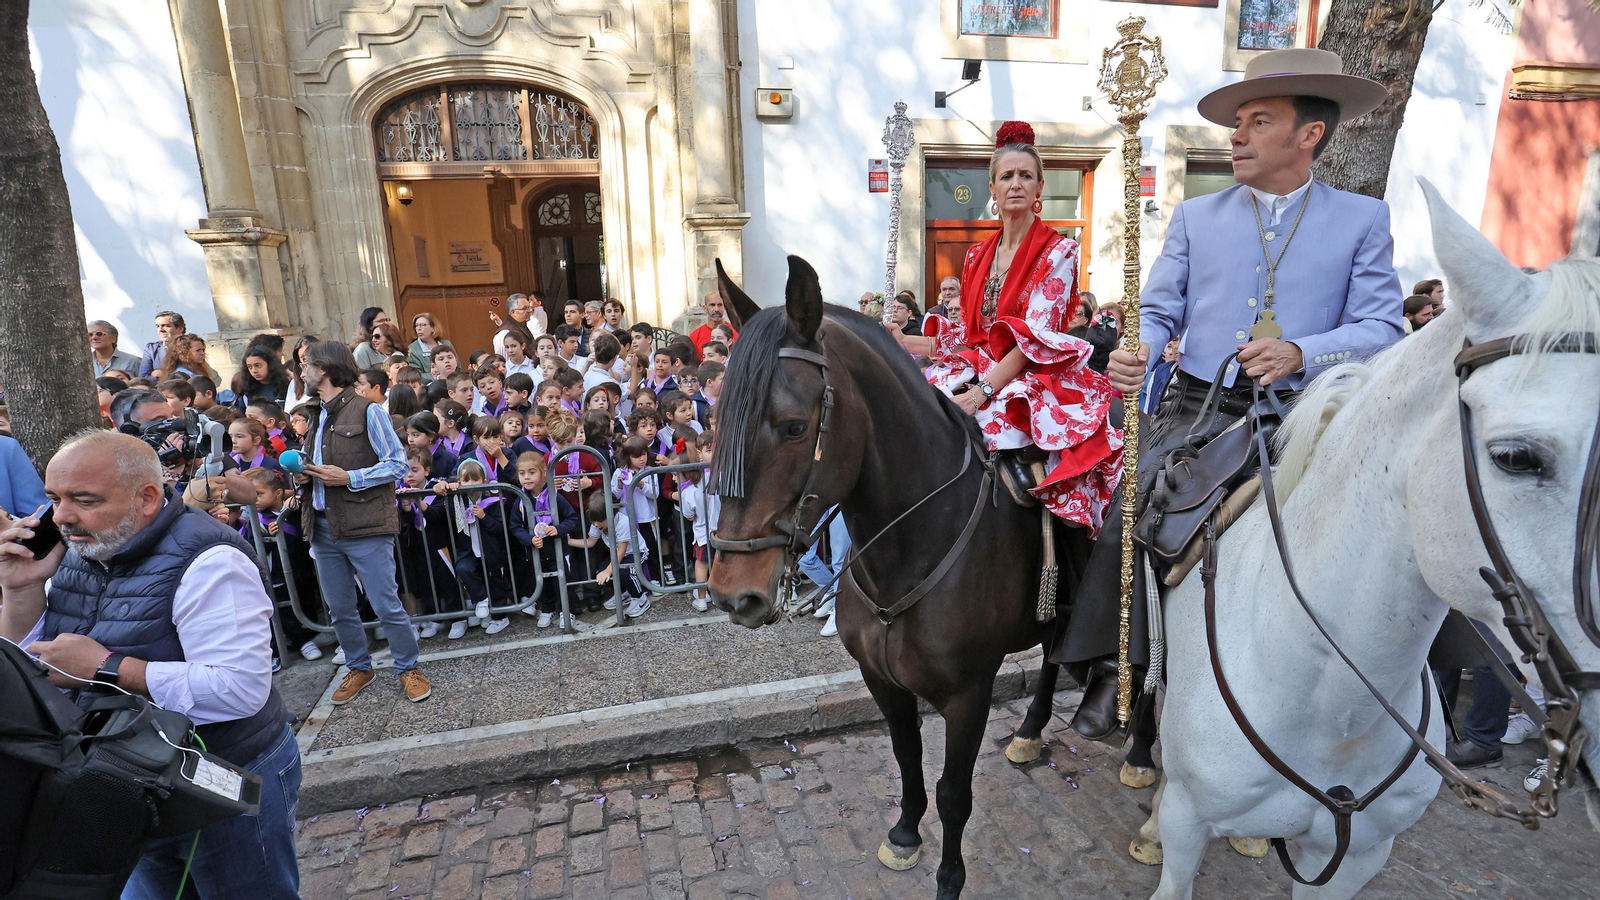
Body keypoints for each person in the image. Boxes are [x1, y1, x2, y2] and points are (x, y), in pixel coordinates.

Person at [1055, 49, 1405, 739]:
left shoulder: (1363, 219)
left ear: (1309, 135)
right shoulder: (1196, 217)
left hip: (1309, 414)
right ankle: (1115, 668)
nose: (1237, 136)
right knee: (1131, 502)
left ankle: (1395, 689)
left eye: (1258, 121)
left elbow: (1382, 326)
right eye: (1238, 122)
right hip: (1200, 412)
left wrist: (1305, 351)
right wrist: (1139, 349)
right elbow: (1156, 313)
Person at [0, 430, 301, 897]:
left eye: (83, 499)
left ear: (146, 498)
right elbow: (26, 664)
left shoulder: (210, 560)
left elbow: (239, 688)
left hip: (220, 774)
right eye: (53, 498)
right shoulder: (79, 548)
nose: (61, 517)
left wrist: (105, 666)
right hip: (123, 777)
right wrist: (20, 590)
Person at [889, 119, 1123, 533]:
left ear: (1039, 188)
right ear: (992, 190)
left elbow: (1035, 341)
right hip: (978, 366)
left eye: (1025, 176)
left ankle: (1055, 564)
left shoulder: (1061, 250)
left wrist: (980, 393)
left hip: (1030, 375)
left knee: (1033, 458)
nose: (1016, 183)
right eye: (1007, 176)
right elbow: (965, 335)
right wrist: (904, 341)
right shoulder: (977, 255)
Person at [295, 340, 432, 704]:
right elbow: (322, 466)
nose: (302, 372)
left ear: (323, 370)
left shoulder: (369, 411)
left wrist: (350, 478)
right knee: (339, 606)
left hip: (365, 524)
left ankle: (408, 667)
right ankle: (359, 666)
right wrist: (305, 476)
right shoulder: (313, 413)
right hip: (323, 525)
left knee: (386, 602)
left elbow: (397, 464)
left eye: (306, 365)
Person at [230, 345, 291, 411]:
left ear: (270, 364)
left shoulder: (286, 386)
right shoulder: (247, 390)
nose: (254, 371)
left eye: (258, 366)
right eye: (250, 367)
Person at [491, 293, 547, 360]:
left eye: (529, 308)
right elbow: (504, 363)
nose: (529, 311)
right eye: (525, 308)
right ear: (513, 312)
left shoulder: (523, 326)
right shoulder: (505, 333)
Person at [137, 310, 186, 378]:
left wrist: (161, 375)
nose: (161, 330)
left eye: (166, 326)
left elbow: (193, 376)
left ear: (180, 328)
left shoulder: (192, 347)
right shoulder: (151, 349)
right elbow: (143, 377)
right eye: (157, 326)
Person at [408, 312, 445, 380]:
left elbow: (457, 367)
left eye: (423, 325)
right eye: (416, 326)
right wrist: (440, 376)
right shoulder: (412, 349)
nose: (419, 328)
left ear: (433, 328)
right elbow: (415, 374)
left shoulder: (446, 344)